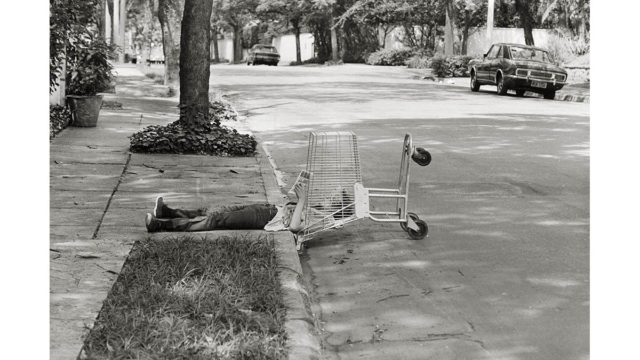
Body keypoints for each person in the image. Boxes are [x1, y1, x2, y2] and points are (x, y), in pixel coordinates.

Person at [144, 171, 309, 233]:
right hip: (269, 208)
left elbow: (294, 226)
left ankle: (160, 225)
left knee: (214, 219)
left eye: (334, 200)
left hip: (265, 218)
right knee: (211, 210)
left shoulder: (322, 221)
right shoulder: (319, 210)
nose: (331, 199)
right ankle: (166, 212)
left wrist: (301, 200)